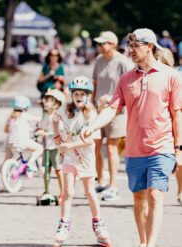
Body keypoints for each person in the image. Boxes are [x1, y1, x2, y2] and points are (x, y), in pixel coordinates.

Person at [82, 28, 182, 247]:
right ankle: (143, 240)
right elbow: (112, 108)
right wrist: (93, 125)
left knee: (156, 194)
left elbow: (177, 114)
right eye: (131, 45)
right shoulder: (126, 79)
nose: (132, 50)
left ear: (150, 47)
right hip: (135, 149)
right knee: (139, 198)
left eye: (136, 46)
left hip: (161, 146)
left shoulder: (171, 76)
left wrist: (179, 149)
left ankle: (150, 244)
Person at [52, 76, 110, 246]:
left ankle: (98, 223)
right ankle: (63, 224)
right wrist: (57, 136)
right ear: (72, 94)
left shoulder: (92, 114)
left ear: (88, 96)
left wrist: (69, 145)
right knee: (67, 192)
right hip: (70, 158)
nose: (79, 97)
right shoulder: (65, 109)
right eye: (76, 93)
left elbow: (92, 140)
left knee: (90, 192)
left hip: (86, 158)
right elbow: (55, 119)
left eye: (82, 94)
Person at [92, 31, 135, 201]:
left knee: (111, 147)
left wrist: (111, 98)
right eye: (98, 43)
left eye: (103, 43)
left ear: (112, 44)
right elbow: (95, 83)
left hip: (117, 110)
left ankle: (113, 186)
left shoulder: (123, 63)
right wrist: (90, 102)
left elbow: (131, 87)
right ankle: (101, 181)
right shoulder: (98, 60)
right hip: (98, 109)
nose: (99, 46)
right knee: (95, 145)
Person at [0, 96, 42, 192]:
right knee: (39, 148)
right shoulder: (25, 115)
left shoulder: (11, 117)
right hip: (22, 141)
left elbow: (5, 130)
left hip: (10, 143)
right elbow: (39, 119)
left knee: (5, 161)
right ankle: (29, 164)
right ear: (26, 107)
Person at [155, 48, 182, 206]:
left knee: (179, 158)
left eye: (164, 63)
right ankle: (156, 191)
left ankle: (180, 189)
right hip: (162, 123)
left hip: (177, 119)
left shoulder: (176, 76)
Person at [36, 89, 66, 201]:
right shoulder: (45, 115)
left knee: (58, 169)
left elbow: (61, 130)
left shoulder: (57, 116)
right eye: (45, 100)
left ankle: (63, 191)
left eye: (48, 100)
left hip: (55, 147)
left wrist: (49, 133)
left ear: (56, 104)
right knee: (46, 170)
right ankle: (46, 190)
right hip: (47, 147)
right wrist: (39, 131)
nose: (44, 102)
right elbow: (41, 127)